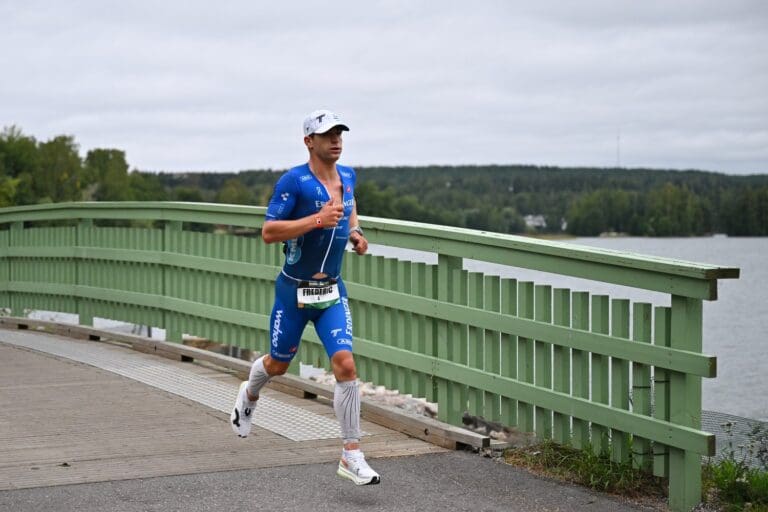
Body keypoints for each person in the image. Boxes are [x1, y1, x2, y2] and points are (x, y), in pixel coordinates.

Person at [230, 109, 380, 486]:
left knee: (345, 364)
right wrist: (315, 221)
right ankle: (249, 394)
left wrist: (356, 232)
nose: (337, 140)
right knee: (279, 365)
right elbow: (268, 231)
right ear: (308, 141)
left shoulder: (348, 175)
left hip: (331, 290)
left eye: (340, 134)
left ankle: (351, 455)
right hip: (294, 291)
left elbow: (349, 209)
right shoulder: (293, 182)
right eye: (328, 134)